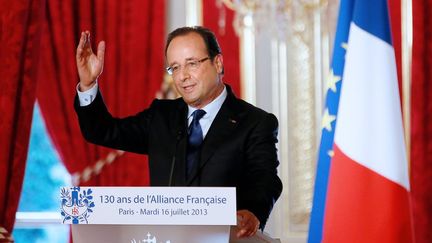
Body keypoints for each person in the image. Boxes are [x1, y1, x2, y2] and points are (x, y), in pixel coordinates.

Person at [74, 26, 282, 238]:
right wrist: (88, 84)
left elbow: (265, 179)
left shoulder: (255, 122)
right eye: (174, 67)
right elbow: (102, 131)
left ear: (217, 63)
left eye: (192, 63)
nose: (182, 76)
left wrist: (253, 212)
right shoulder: (161, 116)